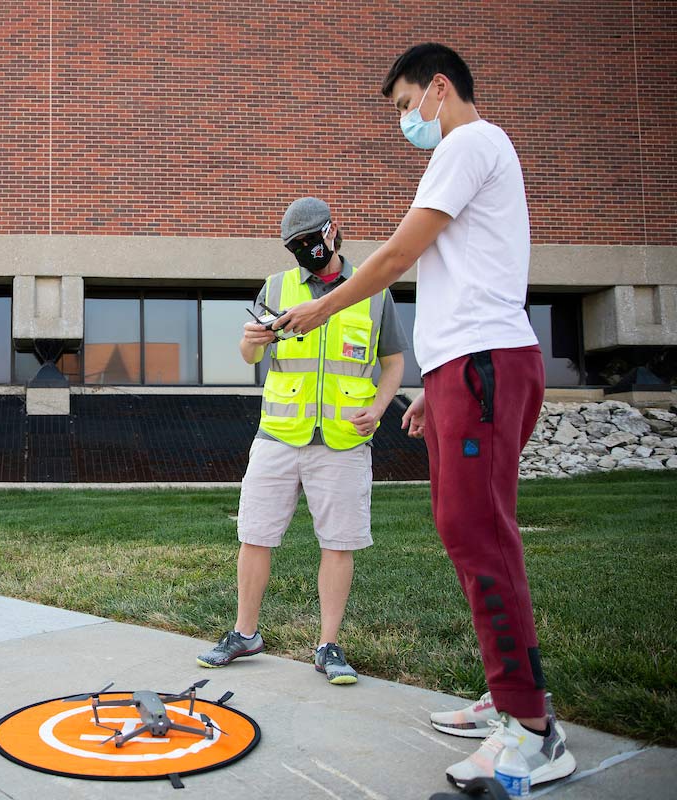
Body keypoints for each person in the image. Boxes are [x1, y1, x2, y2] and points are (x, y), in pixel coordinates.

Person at [275, 44, 577, 788]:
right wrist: (433, 392)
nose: (407, 121)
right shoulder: (473, 152)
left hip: (485, 363)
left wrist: (321, 309)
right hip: (463, 370)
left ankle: (535, 731)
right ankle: (508, 697)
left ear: (440, 89)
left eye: (408, 105)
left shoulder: (468, 141)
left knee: (480, 534)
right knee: (465, 531)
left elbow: (396, 255)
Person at [196, 196, 406, 687]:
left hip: (343, 438)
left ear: (333, 233)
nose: (306, 252)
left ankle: (328, 645)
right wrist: (252, 339)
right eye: (296, 246)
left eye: (311, 241)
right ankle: (244, 633)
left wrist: (378, 409)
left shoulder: (372, 290)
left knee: (338, 541)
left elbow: (393, 360)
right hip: (278, 434)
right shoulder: (277, 286)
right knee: (255, 533)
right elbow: (249, 354)